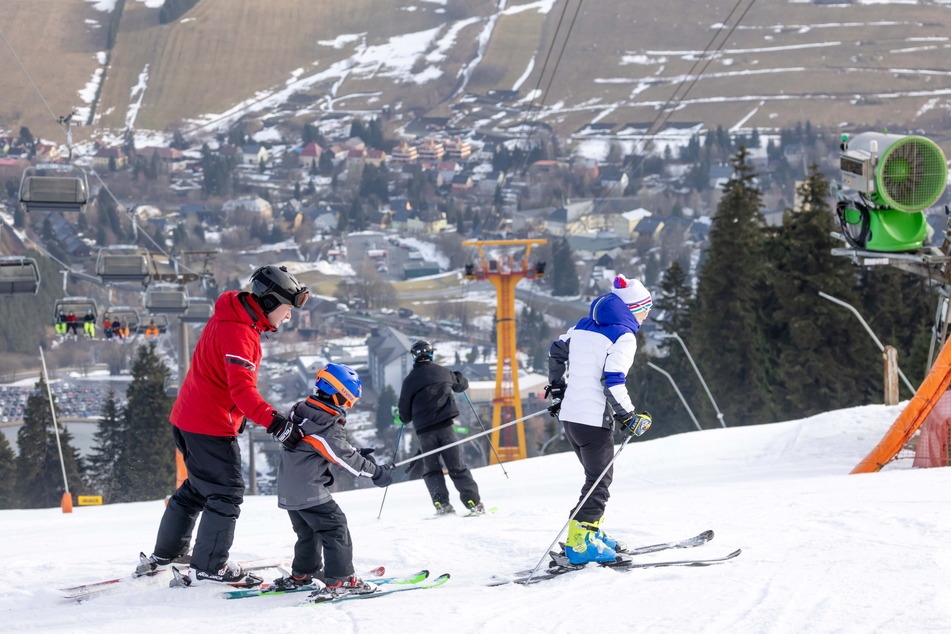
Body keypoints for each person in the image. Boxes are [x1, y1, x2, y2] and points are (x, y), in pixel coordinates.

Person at [139, 264, 310, 584]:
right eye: (287, 310)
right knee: (227, 492)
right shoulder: (241, 333)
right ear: (270, 303)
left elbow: (222, 381)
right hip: (208, 425)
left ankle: (168, 552)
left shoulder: (231, 313)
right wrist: (278, 424)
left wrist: (239, 414)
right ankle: (209, 564)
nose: (288, 318)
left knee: (198, 488)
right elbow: (243, 391)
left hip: (188, 419)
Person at [546, 274, 654, 565]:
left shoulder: (582, 326)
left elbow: (556, 352)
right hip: (592, 420)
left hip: (571, 418)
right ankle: (580, 545)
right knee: (599, 483)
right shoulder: (624, 336)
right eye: (646, 309)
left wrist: (557, 392)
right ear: (633, 308)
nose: (647, 315)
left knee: (594, 480)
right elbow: (613, 380)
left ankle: (590, 533)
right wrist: (629, 416)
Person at [269, 363, 393, 597]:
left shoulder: (304, 410)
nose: (348, 406)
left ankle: (302, 574)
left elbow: (325, 447)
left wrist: (354, 450)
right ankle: (341, 580)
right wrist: (376, 473)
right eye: (348, 400)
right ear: (338, 394)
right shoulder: (326, 424)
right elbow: (342, 456)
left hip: (289, 488)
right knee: (336, 527)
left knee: (308, 532)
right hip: (308, 489)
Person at [397, 340, 485, 516]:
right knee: (457, 467)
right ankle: (473, 503)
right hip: (446, 429)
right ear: (431, 354)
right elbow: (462, 385)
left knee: (432, 470)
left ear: (414, 357)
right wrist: (457, 376)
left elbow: (404, 416)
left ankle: (442, 505)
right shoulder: (443, 372)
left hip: (425, 434)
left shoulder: (409, 381)